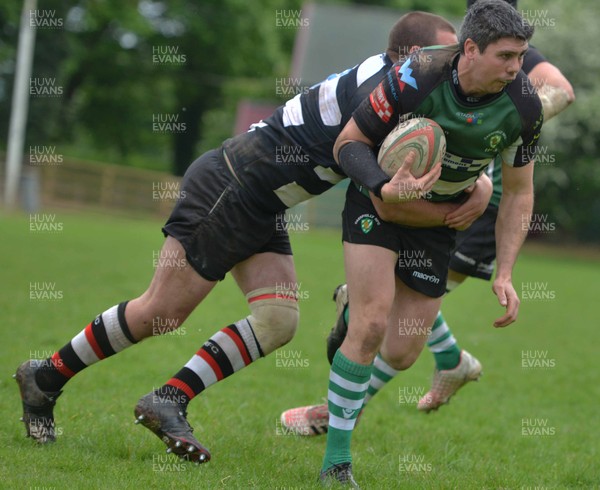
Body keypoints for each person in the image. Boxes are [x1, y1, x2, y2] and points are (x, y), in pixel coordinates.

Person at [14, 11, 488, 466]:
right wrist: (461, 204)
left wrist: (482, 182)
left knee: (278, 320)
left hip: (262, 201)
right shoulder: (380, 93)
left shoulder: (396, 89)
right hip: (231, 186)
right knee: (159, 312)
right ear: (407, 55)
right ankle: (45, 375)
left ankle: (169, 399)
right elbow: (386, 201)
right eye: (440, 53)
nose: (448, 63)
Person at [281, 0, 575, 438]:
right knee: (374, 321)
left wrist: (493, 147)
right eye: (507, 57)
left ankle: (438, 357)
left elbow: (524, 181)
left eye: (520, 57)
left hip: (457, 212)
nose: (516, 67)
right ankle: (337, 444)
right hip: (386, 203)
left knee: (402, 344)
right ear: (471, 45)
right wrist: (386, 181)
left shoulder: (520, 93)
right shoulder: (421, 71)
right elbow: (351, 142)